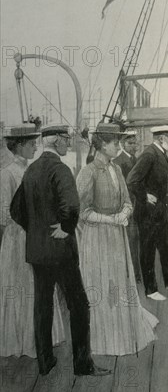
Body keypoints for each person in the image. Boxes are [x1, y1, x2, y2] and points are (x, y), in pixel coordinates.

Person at [11, 124, 109, 376]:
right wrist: (65, 228)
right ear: (57, 141)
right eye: (66, 140)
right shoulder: (59, 168)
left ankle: (45, 363)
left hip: (37, 251)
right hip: (60, 252)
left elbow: (16, 210)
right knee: (79, 305)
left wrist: (36, 230)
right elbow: (72, 206)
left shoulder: (31, 169)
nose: (69, 144)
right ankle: (83, 365)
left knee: (43, 305)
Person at [77, 123, 158, 355]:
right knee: (103, 283)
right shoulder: (88, 172)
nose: (118, 146)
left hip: (117, 236)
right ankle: (105, 337)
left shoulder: (117, 170)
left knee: (119, 282)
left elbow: (127, 201)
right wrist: (112, 219)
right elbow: (83, 212)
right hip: (97, 237)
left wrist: (124, 213)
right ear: (102, 145)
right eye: (115, 142)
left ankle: (123, 329)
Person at [0, 124, 64, 358]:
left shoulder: (33, 170)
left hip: (35, 236)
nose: (35, 146)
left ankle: (42, 337)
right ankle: (23, 340)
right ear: (18, 146)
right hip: (18, 239)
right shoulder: (7, 174)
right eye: (31, 144)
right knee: (22, 286)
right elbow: (4, 214)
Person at [127, 126, 168, 301]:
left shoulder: (162, 154)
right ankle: (151, 290)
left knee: (165, 248)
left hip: (160, 214)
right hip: (148, 214)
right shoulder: (149, 154)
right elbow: (132, 180)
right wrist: (144, 196)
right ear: (160, 138)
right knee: (148, 251)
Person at [113, 127, 141, 281]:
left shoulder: (137, 160)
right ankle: (129, 275)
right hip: (126, 208)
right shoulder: (118, 162)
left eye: (135, 144)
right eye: (130, 143)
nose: (134, 146)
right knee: (127, 242)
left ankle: (136, 274)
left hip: (138, 208)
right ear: (123, 144)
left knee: (136, 242)